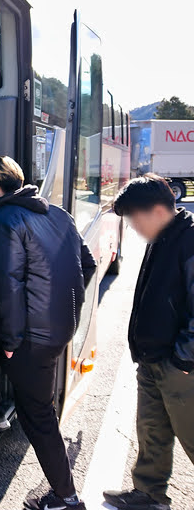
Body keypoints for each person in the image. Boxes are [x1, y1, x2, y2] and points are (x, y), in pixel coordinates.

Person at [0, 156, 96, 510]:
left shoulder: (4, 219)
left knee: (39, 417)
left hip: (30, 339)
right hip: (59, 331)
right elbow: (88, 263)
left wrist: (9, 342)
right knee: (38, 407)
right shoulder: (58, 214)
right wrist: (64, 308)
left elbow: (8, 287)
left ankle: (66, 497)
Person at [103, 174, 194, 510]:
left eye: (135, 220)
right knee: (152, 433)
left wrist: (184, 361)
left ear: (157, 211)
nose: (134, 229)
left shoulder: (189, 241)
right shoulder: (162, 239)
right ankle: (149, 494)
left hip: (180, 367)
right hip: (153, 359)